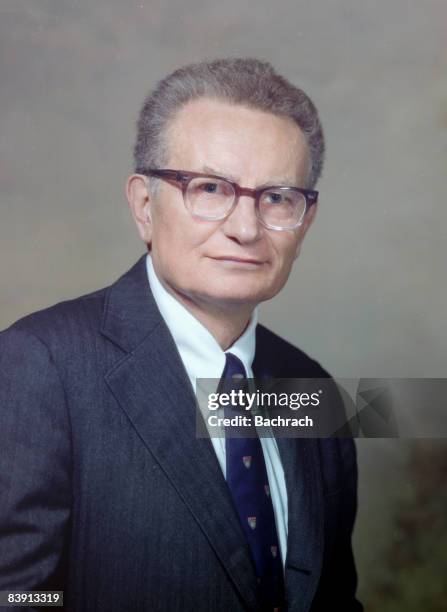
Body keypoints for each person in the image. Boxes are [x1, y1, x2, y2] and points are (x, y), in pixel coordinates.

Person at [0, 58, 362, 611]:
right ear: (145, 205)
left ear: (305, 220)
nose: (245, 229)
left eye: (277, 197)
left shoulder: (310, 387)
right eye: (210, 188)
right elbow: (19, 597)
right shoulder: (42, 364)